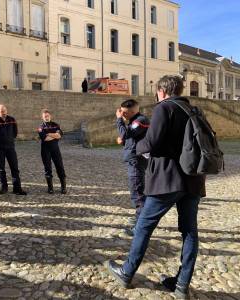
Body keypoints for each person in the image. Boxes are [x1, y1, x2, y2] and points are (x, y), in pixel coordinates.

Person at [106, 76, 206, 300]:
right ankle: (181, 284)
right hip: (194, 179)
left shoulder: (164, 108)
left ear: (162, 91)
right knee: (189, 231)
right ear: (180, 89)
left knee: (143, 225)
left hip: (168, 179)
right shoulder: (194, 110)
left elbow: (150, 141)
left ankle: (127, 271)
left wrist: (134, 146)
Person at [116, 99, 150, 236]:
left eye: (124, 112)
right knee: (137, 191)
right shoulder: (134, 120)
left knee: (138, 193)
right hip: (134, 159)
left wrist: (119, 121)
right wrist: (123, 140)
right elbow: (129, 136)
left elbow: (126, 133)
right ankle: (139, 219)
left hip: (137, 160)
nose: (122, 114)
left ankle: (140, 227)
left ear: (133, 111)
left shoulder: (140, 120)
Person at [0, 104, 27, 195]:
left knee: (15, 168)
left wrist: (9, 139)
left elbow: (15, 133)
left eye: (4, 110)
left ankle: (17, 188)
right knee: (1, 169)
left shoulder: (12, 120)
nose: (3, 112)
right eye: (1, 111)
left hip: (10, 147)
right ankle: (4, 188)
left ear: (7, 110)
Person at [37, 109, 67, 194]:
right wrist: (54, 135)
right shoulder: (40, 127)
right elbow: (45, 138)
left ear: (50, 116)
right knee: (48, 168)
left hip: (55, 149)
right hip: (45, 150)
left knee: (60, 167)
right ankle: (50, 188)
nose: (46, 117)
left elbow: (59, 135)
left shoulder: (56, 125)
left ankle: (63, 187)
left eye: (47, 116)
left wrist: (49, 134)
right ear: (42, 118)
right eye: (45, 116)